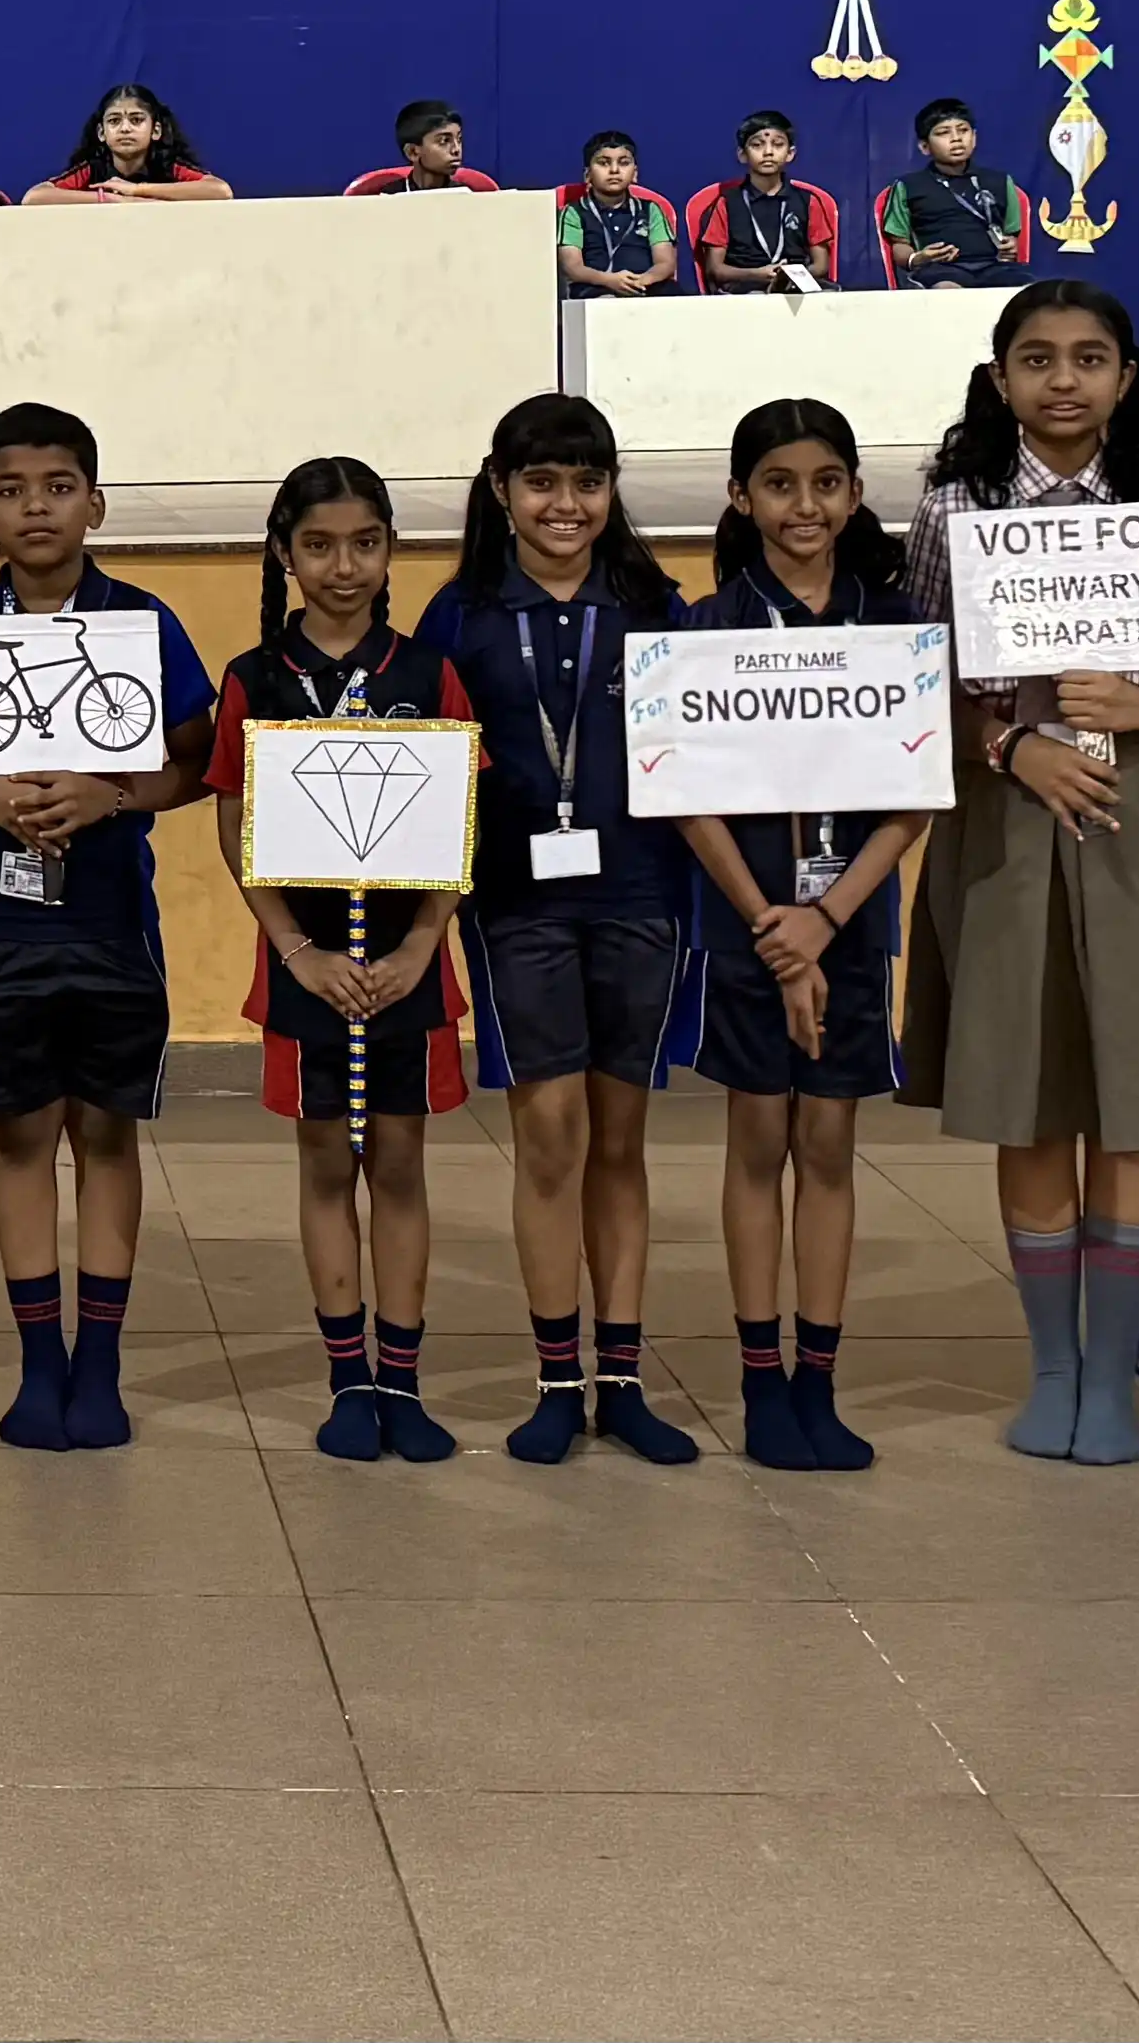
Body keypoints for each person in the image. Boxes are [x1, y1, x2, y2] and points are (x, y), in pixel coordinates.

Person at [914, 279, 1139, 1466]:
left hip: (1135, 816)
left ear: (1126, 375)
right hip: (1006, 822)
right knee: (1035, 1103)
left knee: (1134, 1107)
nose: (1063, 380)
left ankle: (1113, 1381)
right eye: (1037, 358)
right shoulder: (958, 509)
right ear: (1000, 379)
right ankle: (1050, 1369)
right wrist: (1012, 744)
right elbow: (922, 691)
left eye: (1088, 357)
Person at [0, 402, 213, 1449]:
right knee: (23, 1130)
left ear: (95, 501)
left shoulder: (144, 623)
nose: (37, 506)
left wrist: (113, 796)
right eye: (12, 489)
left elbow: (190, 761)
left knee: (106, 1129)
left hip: (114, 917)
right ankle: (41, 1367)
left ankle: (103, 1367)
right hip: (0, 922)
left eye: (59, 485)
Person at [424, 391, 699, 1466]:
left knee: (619, 1140)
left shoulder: (656, 605)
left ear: (612, 491)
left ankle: (623, 1379)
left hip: (640, 893)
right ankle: (555, 1379)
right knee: (549, 1138)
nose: (565, 504)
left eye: (587, 481)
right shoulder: (460, 616)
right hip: (515, 905)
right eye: (541, 481)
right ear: (500, 490)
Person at [672, 399, 916, 1474]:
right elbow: (681, 790)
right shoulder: (705, 627)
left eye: (826, 482)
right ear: (741, 497)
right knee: (758, 1141)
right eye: (779, 483)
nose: (804, 504)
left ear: (855, 494)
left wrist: (827, 918)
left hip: (850, 921)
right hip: (746, 927)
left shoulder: (891, 621)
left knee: (829, 1147)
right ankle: (760, 1380)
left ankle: (821, 1379)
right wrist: (774, 924)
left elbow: (918, 794)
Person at [215, 460, 475, 1461]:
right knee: (328, 1162)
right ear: (285, 553)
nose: (342, 566)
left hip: (407, 974)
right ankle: (347, 1380)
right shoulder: (257, 677)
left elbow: (462, 814)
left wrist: (420, 945)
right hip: (306, 973)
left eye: (364, 544)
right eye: (319, 545)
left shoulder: (427, 671)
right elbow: (236, 820)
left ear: (390, 551)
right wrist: (297, 949)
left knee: (400, 1164)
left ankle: (403, 1382)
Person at [875, 97, 1034, 289]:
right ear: (924, 147)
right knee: (948, 292)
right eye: (943, 133)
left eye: (963, 130)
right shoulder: (908, 186)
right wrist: (917, 258)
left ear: (974, 138)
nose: (956, 138)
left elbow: (1012, 236)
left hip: (995, 268)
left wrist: (1011, 246)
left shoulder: (1000, 182)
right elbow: (899, 244)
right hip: (940, 270)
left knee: (1029, 292)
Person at [685, 111, 845, 291]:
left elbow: (821, 265)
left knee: (832, 295)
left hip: (796, 285)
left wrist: (789, 276)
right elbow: (716, 270)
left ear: (790, 153)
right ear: (742, 154)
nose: (768, 152)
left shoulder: (808, 202)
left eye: (777, 144)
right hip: (744, 287)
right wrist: (758, 274)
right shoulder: (727, 204)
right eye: (757, 145)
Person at [27, 82, 233, 203]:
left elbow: (220, 191)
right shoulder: (92, 169)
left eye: (136, 120)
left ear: (156, 130)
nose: (125, 128)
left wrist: (137, 191)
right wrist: (109, 200)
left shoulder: (168, 166)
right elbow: (35, 197)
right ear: (101, 132)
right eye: (114, 121)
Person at [559, 131, 681, 296]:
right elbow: (573, 267)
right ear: (587, 175)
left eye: (624, 163)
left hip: (644, 285)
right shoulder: (574, 213)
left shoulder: (650, 210)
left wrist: (643, 280)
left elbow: (665, 262)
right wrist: (610, 281)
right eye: (604, 163)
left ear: (635, 174)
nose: (614, 170)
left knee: (675, 296)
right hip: (596, 286)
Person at [342, 99, 502, 195]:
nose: (456, 149)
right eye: (444, 141)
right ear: (412, 152)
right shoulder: (388, 199)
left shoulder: (468, 197)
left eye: (459, 139)